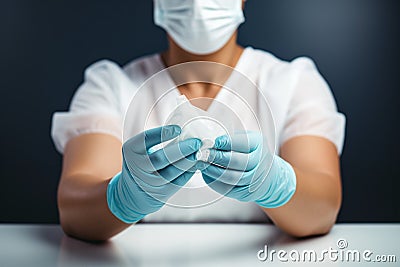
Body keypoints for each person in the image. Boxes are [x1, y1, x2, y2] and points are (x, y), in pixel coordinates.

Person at [51, 0, 345, 242]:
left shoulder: (294, 83)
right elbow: (75, 212)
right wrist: (125, 195)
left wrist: (274, 182)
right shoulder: (110, 87)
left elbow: (323, 209)